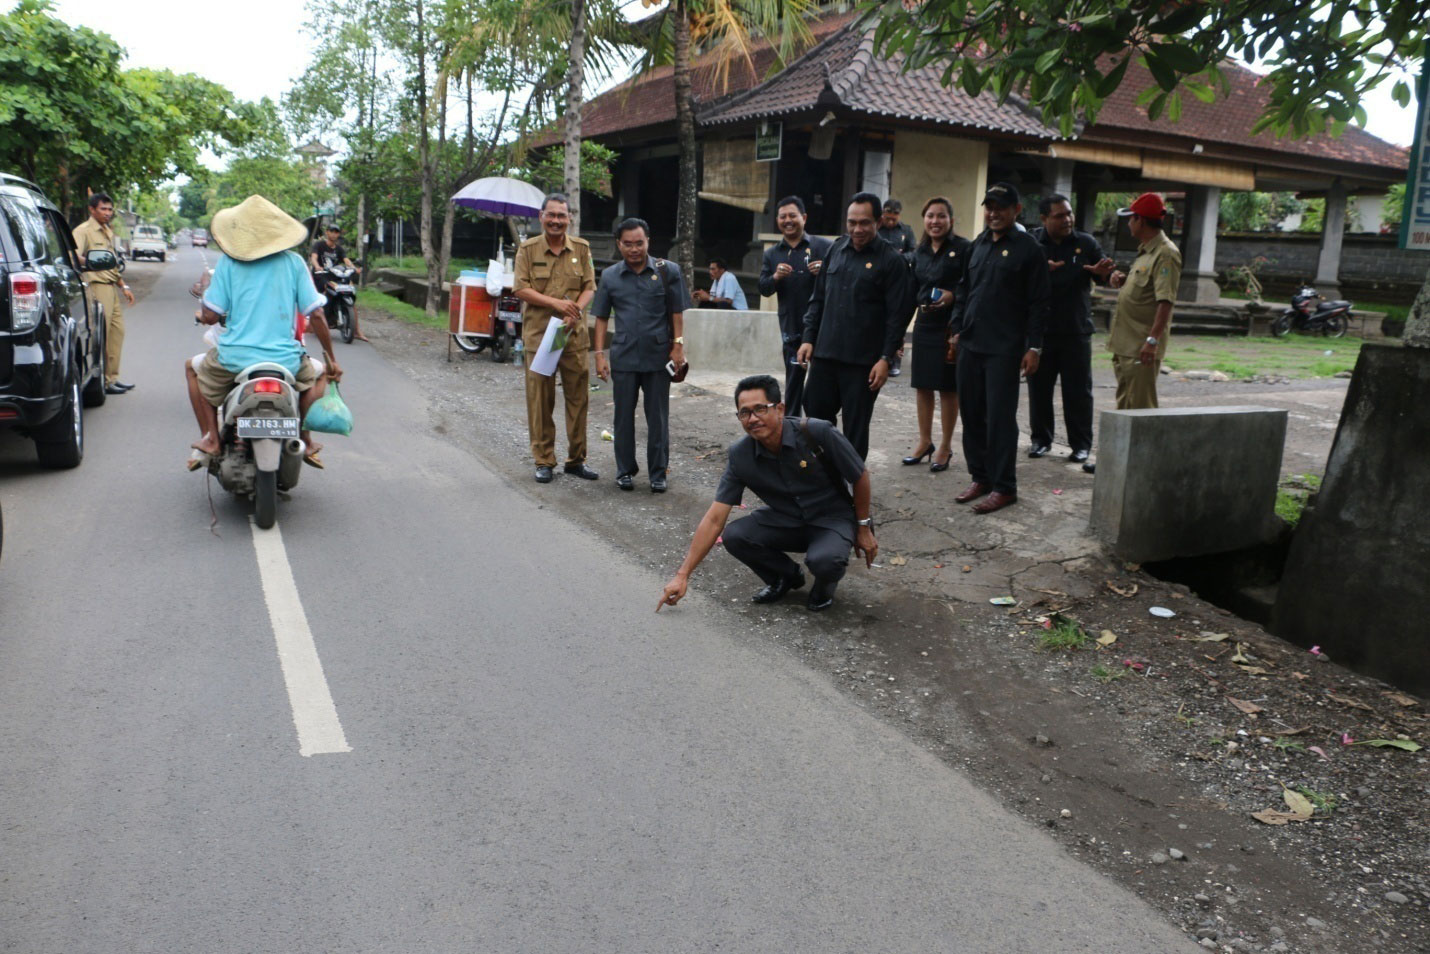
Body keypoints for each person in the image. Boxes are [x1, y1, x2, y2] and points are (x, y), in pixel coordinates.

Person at [656, 375, 878, 613]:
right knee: (735, 535)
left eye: (760, 409)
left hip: (832, 519)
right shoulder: (741, 456)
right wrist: (682, 575)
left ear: (780, 409)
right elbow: (714, 518)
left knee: (825, 561)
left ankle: (825, 584)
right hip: (787, 521)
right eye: (744, 413)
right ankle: (785, 576)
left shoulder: (817, 432)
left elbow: (859, 475)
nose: (753, 419)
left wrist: (863, 527)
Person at [188, 195, 343, 466]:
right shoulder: (294, 263)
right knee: (318, 376)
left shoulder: (228, 263)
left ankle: (211, 439)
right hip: (285, 361)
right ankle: (305, 440)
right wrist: (332, 359)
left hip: (234, 359)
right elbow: (316, 313)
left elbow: (211, 315)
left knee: (193, 368)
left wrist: (204, 296)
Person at [949, 182, 1051, 514]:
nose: (993, 213)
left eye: (1001, 207)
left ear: (1017, 210)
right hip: (971, 344)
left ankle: (1005, 486)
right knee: (972, 414)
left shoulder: (1029, 249)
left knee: (1000, 419)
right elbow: (963, 290)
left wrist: (1034, 347)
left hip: (1004, 349)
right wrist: (955, 328)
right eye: (989, 206)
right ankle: (981, 477)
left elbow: (1039, 303)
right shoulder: (977, 245)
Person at [796, 192, 914, 460]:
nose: (857, 229)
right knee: (814, 422)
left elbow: (897, 316)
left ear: (879, 221)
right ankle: (823, 479)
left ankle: (852, 490)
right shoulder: (836, 250)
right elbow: (818, 299)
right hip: (825, 355)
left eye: (864, 223)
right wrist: (808, 338)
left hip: (863, 364)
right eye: (852, 223)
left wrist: (886, 358)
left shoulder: (892, 261)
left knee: (855, 431)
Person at [590, 217, 691, 493]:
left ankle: (658, 473)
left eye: (639, 243)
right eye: (628, 244)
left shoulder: (667, 271)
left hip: (658, 356)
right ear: (618, 244)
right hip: (623, 356)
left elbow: (677, 312)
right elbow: (600, 317)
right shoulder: (610, 276)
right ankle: (625, 471)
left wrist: (678, 345)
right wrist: (599, 355)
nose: (634, 249)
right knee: (622, 417)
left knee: (658, 417)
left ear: (648, 241)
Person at [512, 193, 598, 484]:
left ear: (569, 218)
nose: (556, 221)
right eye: (551, 215)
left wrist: (576, 310)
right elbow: (521, 289)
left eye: (562, 216)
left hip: (572, 336)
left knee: (578, 400)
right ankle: (544, 460)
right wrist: (557, 304)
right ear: (541, 217)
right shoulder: (527, 249)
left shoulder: (582, 249)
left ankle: (576, 460)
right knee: (540, 402)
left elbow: (589, 287)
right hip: (541, 338)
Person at [1026, 194, 1115, 465]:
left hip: (1076, 330)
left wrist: (1105, 274)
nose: (1067, 220)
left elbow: (1105, 273)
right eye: (1059, 215)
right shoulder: (1031, 243)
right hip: (1041, 332)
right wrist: (1041, 269)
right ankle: (1041, 440)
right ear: (1044, 219)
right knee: (1039, 389)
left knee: (1078, 392)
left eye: (1069, 214)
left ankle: (1081, 445)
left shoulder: (1085, 242)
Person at [903, 196, 969, 473]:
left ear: (951, 221)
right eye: (930, 216)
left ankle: (945, 445)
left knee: (948, 388)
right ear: (924, 219)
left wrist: (953, 296)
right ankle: (924, 441)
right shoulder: (919, 253)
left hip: (950, 327)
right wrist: (897, 333)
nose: (935, 221)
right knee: (923, 385)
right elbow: (909, 293)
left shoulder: (964, 249)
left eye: (941, 216)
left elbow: (971, 285)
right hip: (925, 324)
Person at [757, 196, 830, 417]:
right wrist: (776, 276)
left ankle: (820, 433)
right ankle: (792, 434)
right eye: (783, 217)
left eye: (793, 215)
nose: (788, 220)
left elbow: (840, 282)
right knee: (793, 388)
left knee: (820, 390)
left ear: (804, 218)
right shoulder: (772, 254)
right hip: (791, 328)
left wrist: (825, 272)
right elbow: (764, 288)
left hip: (821, 328)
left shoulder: (823, 247)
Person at [1107, 193, 1181, 410]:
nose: (1129, 223)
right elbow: (1146, 288)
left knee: (1140, 408)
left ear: (1140, 220)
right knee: (1125, 405)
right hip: (1125, 344)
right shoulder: (1146, 251)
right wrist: (1123, 280)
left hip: (1141, 345)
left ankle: (1145, 446)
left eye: (1131, 218)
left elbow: (1165, 300)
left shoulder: (1166, 253)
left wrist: (1152, 341)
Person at [72, 192, 135, 394]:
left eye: (110, 209)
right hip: (96, 286)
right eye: (103, 209)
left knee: (117, 332)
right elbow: (73, 254)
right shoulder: (84, 230)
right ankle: (103, 381)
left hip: (111, 287)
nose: (107, 213)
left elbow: (111, 263)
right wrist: (91, 261)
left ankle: (112, 378)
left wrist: (123, 286)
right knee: (103, 335)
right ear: (92, 210)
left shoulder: (107, 231)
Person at [309, 225, 367, 342]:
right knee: (325, 291)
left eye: (336, 232)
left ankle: (356, 331)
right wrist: (317, 266)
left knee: (349, 294)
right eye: (332, 231)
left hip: (334, 275)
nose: (334, 234)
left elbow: (346, 261)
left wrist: (354, 268)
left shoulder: (339, 249)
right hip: (321, 275)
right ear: (327, 232)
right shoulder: (319, 245)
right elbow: (314, 258)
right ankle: (322, 319)